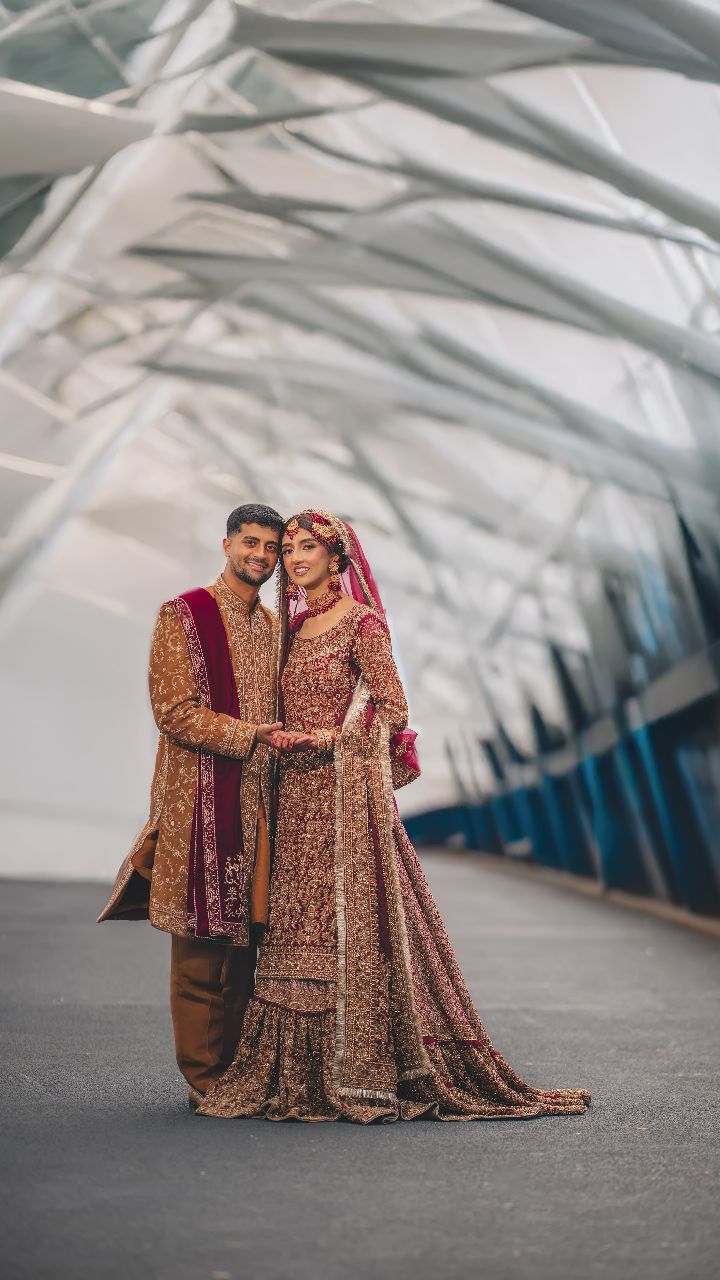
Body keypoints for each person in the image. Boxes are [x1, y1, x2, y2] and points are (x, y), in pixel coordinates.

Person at [197, 509, 590, 1122]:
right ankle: (293, 1071)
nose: (295, 558)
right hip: (293, 799)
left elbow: (392, 705)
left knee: (345, 921)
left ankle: (361, 1066)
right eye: (289, 549)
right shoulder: (290, 629)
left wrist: (331, 740)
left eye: (308, 547)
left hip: (342, 798)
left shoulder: (361, 623)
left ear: (337, 558)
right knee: (294, 928)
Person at [99, 502, 289, 1108]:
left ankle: (236, 1074)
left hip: (260, 808)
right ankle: (204, 1078)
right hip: (200, 803)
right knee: (201, 951)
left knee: (247, 950)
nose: (260, 556)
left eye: (271, 547)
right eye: (250, 542)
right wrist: (250, 734)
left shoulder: (275, 626)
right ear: (226, 544)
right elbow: (174, 711)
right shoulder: (184, 613)